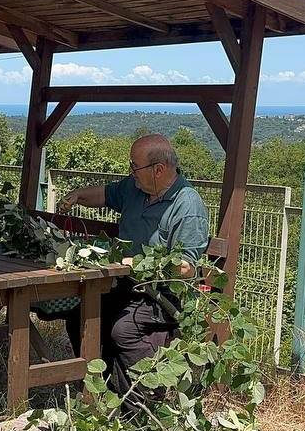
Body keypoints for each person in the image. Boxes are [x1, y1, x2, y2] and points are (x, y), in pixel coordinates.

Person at [56, 133, 211, 395]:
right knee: (77, 314)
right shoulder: (136, 188)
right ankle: (100, 392)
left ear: (158, 170)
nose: (131, 172)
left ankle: (146, 400)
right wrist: (78, 195)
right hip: (124, 286)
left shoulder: (188, 205)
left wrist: (138, 263)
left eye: (134, 166)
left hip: (160, 294)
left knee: (123, 329)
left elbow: (186, 268)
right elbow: (106, 194)